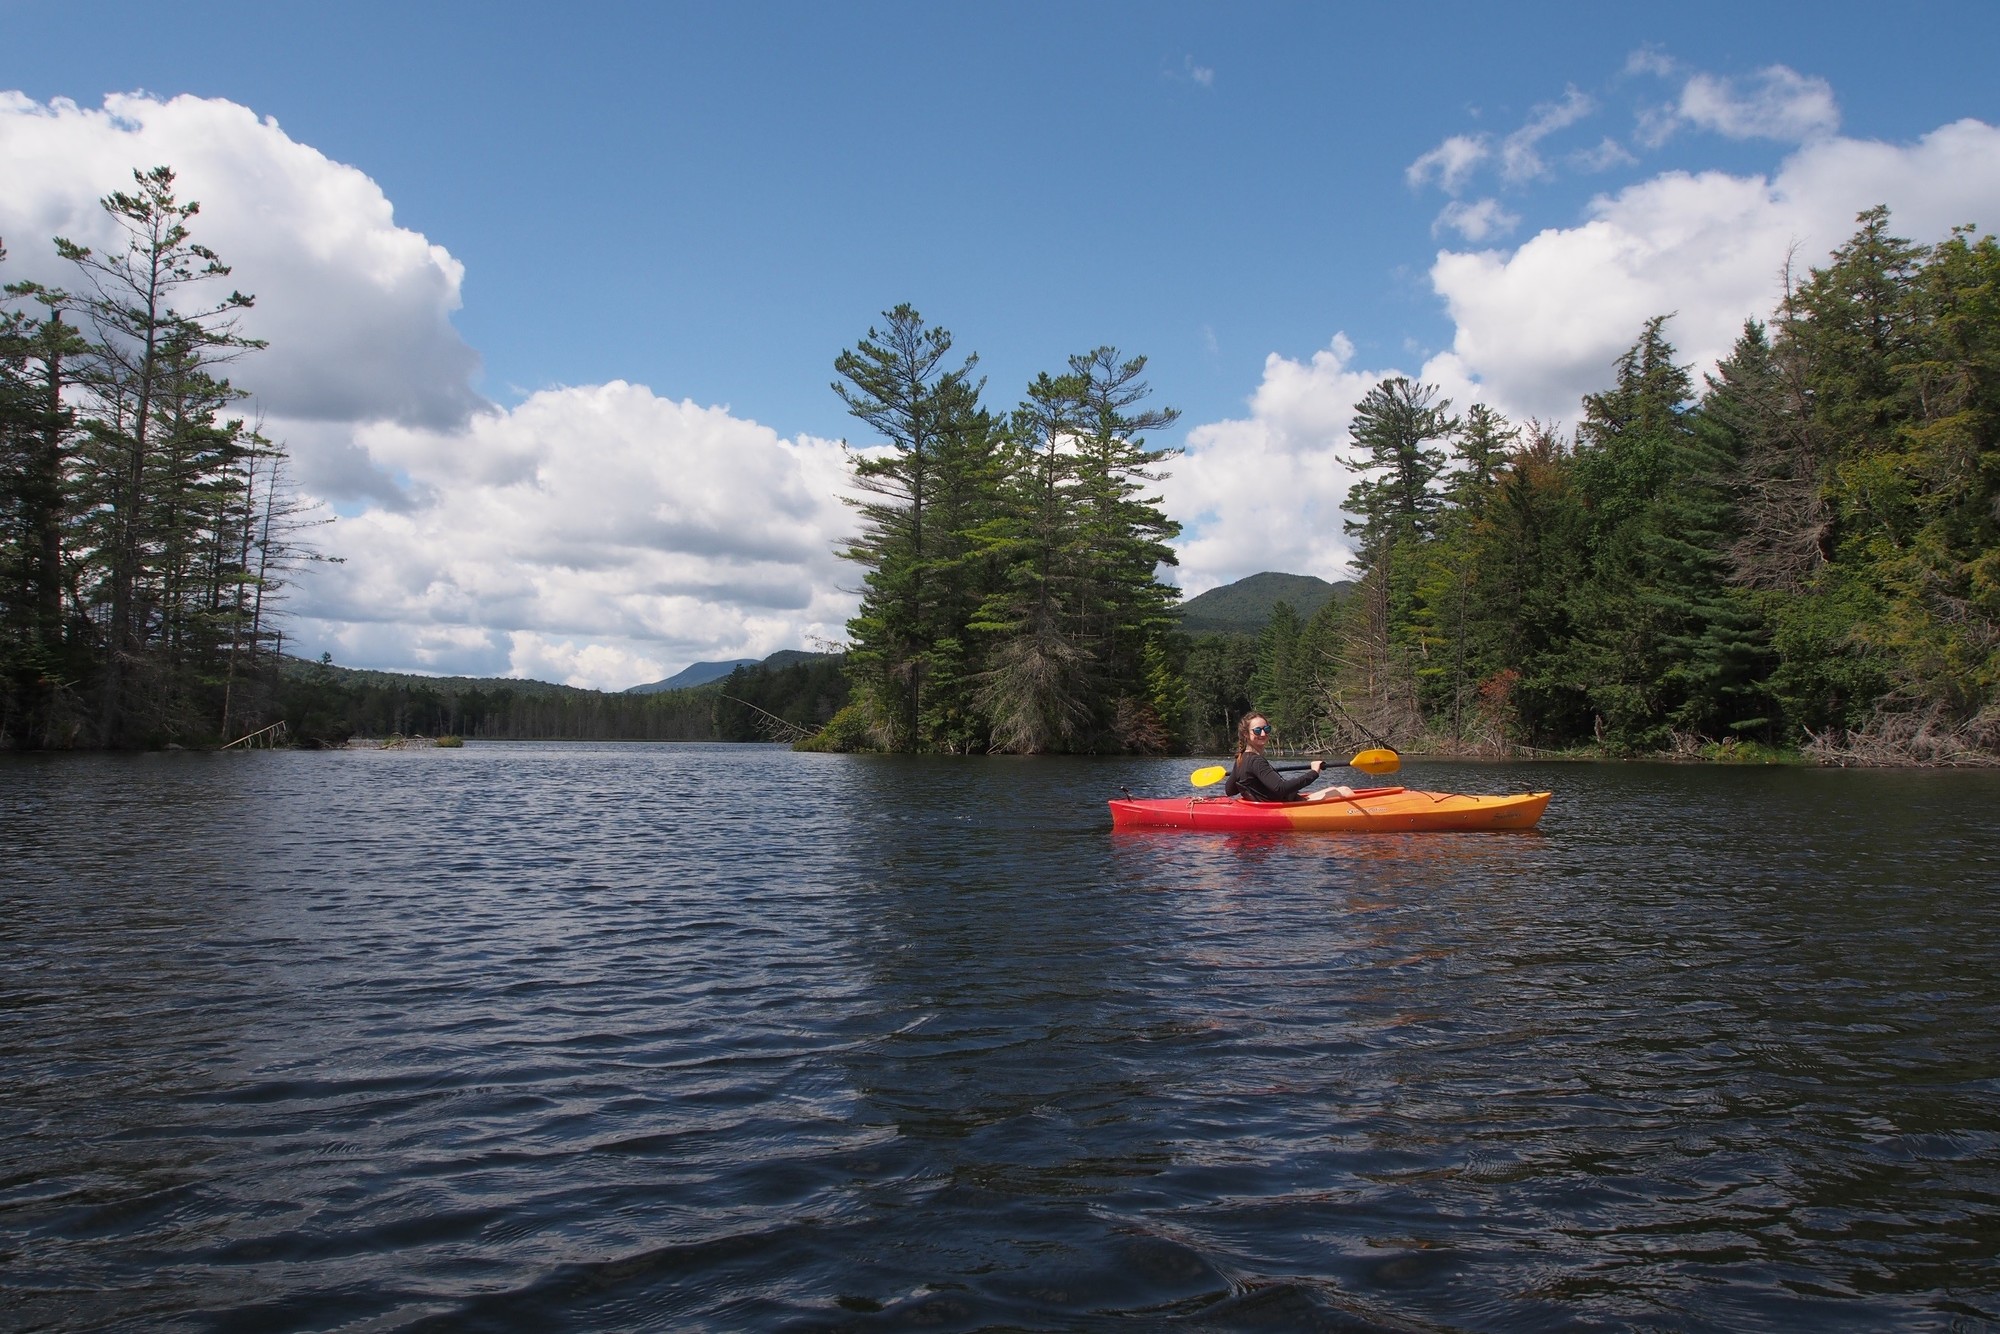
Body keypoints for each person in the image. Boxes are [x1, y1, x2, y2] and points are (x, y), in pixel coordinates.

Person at [1228, 713, 1353, 803]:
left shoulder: (1241, 758)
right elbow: (1281, 788)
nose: (1263, 734)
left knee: (1334, 789)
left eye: (1266, 729)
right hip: (1287, 807)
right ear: (1246, 734)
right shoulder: (1256, 761)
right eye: (1257, 730)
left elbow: (1230, 790)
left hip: (1285, 802)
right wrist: (1314, 772)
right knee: (1344, 791)